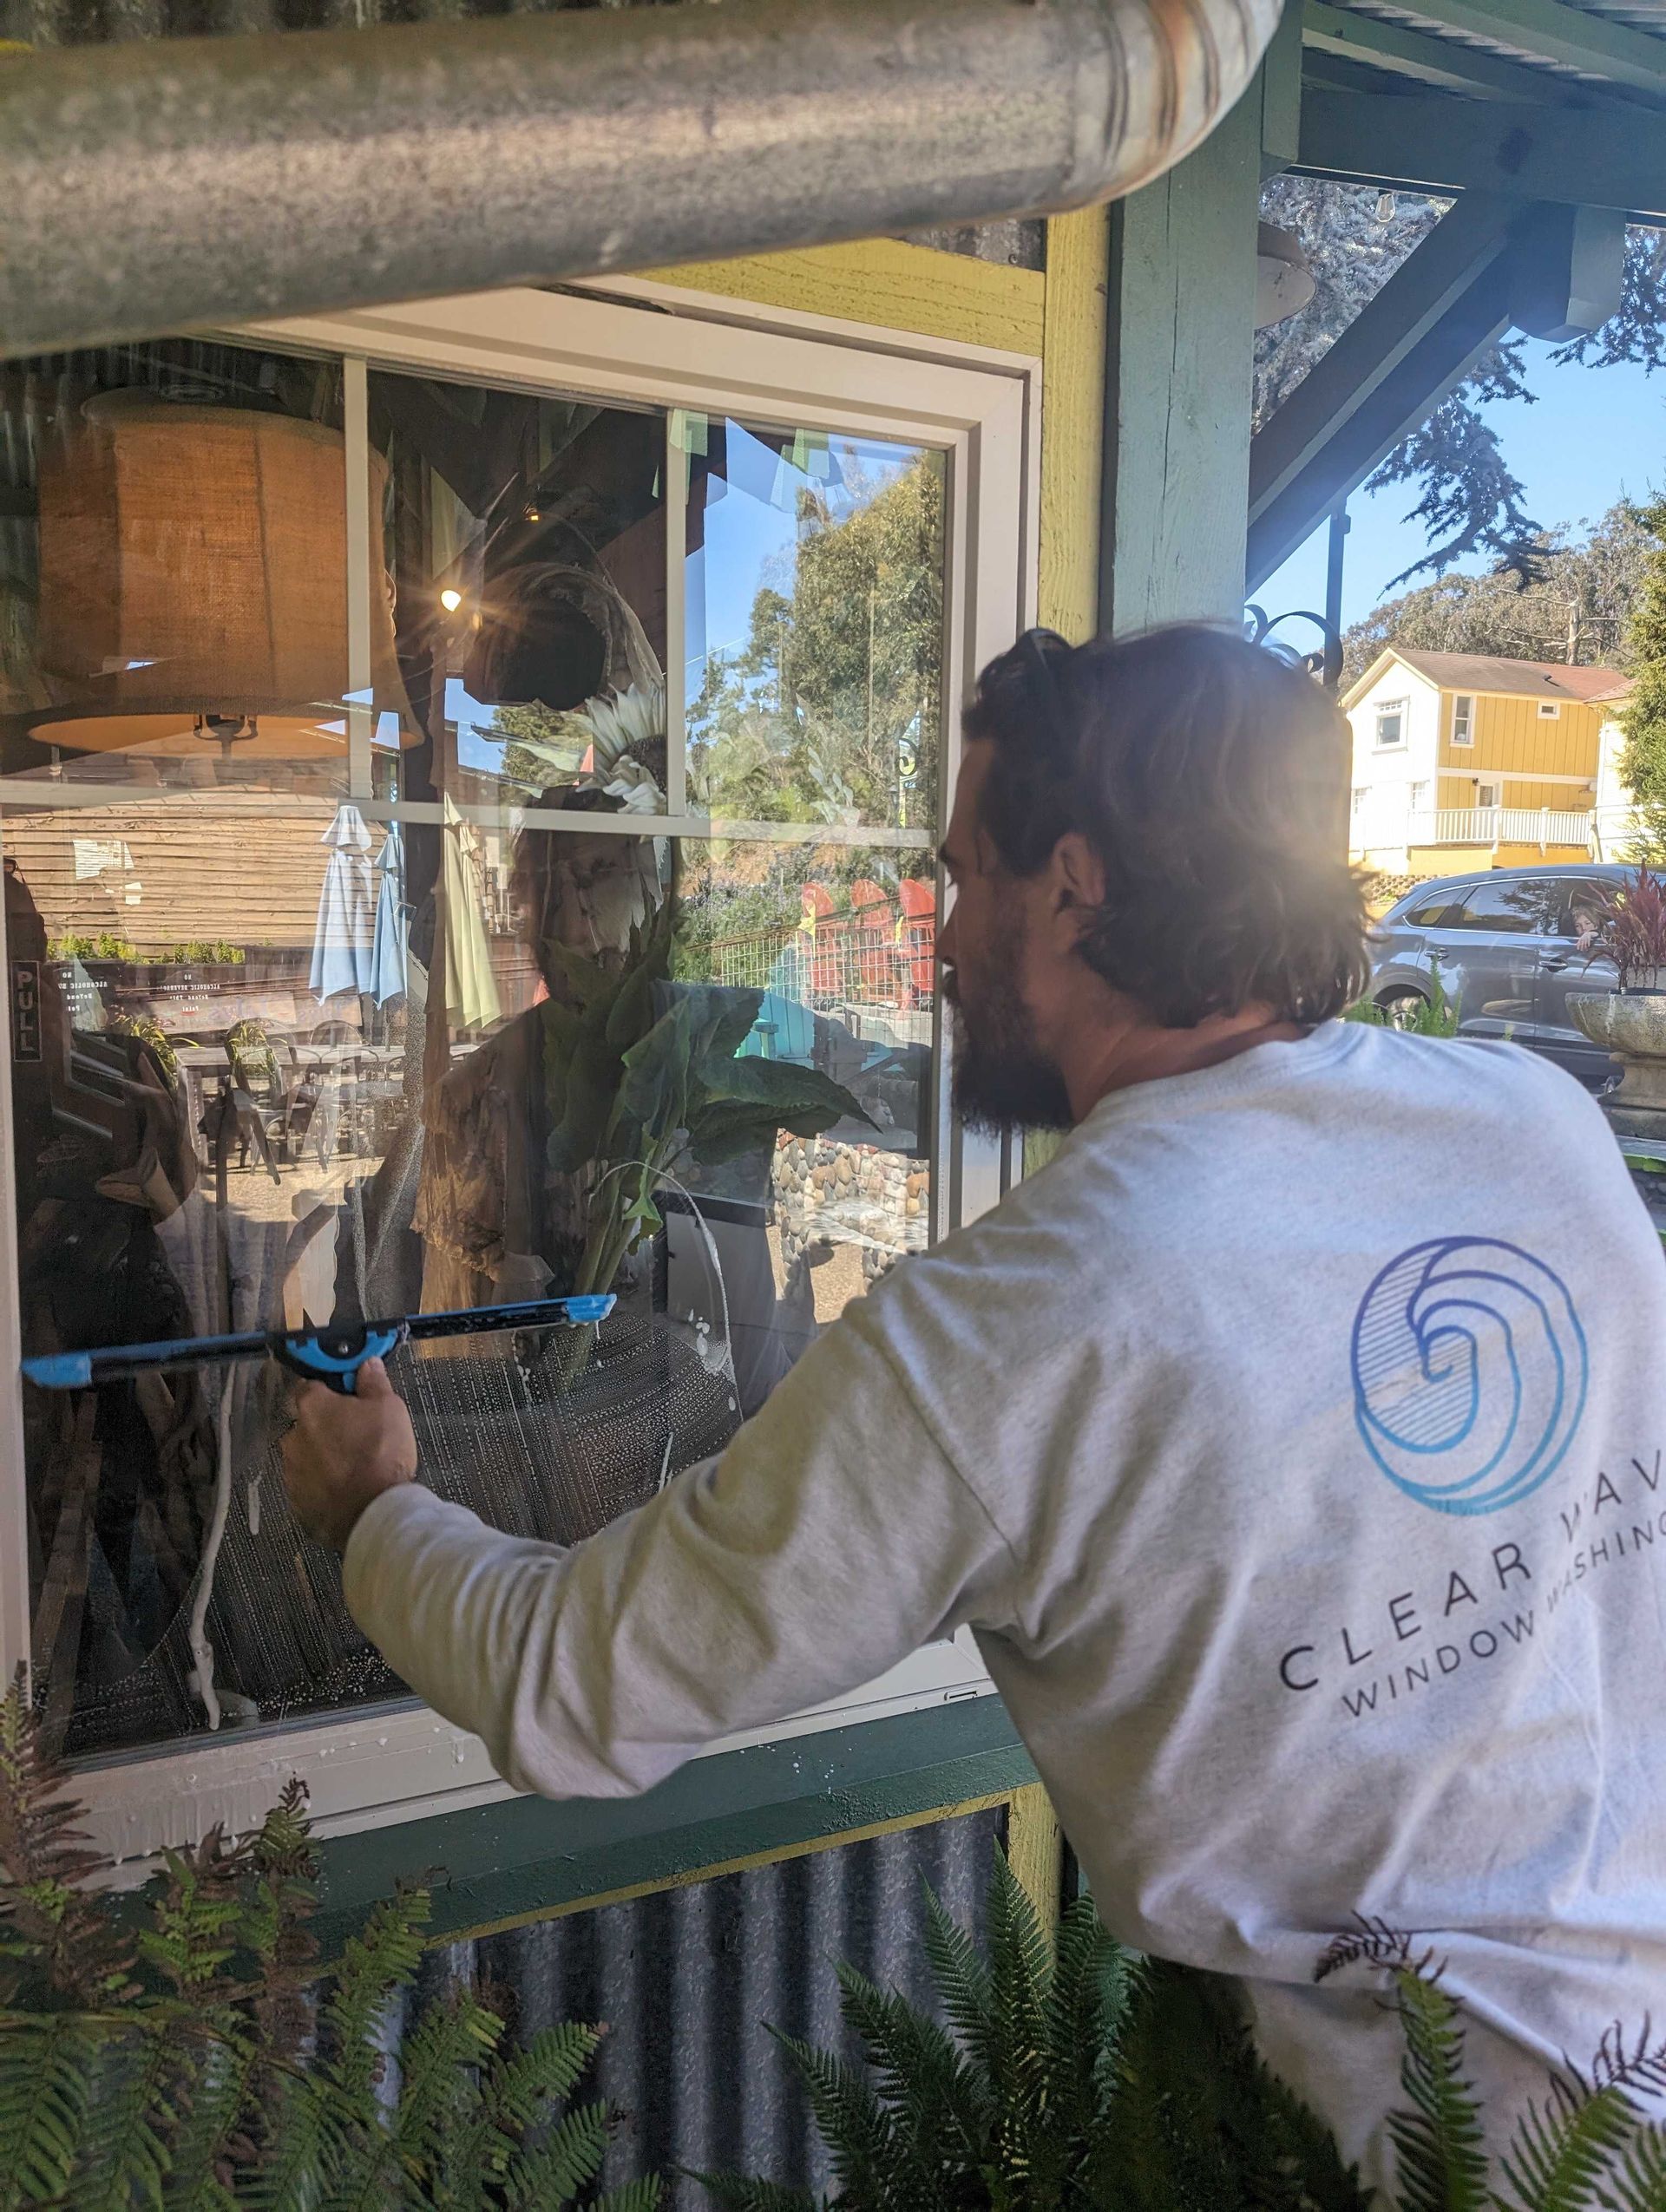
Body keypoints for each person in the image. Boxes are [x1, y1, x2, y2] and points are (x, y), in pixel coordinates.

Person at [284, 624, 1666, 2189]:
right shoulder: (1543, 1129)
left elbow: (570, 1686)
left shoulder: (1016, 1326)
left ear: (1073, 884)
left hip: (1427, 2155)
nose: (933, 942)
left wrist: (372, 1509)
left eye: (961, 877)